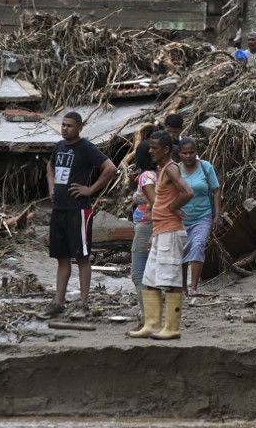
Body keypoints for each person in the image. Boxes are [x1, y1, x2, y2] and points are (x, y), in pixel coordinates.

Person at [44, 112, 118, 319]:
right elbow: (50, 165)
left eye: (69, 125)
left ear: (79, 128)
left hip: (79, 210)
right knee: (62, 257)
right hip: (59, 209)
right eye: (63, 124)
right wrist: (51, 186)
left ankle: (83, 303)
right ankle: (58, 301)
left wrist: (90, 189)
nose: (65, 128)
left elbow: (110, 168)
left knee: (82, 256)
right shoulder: (59, 146)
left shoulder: (86, 148)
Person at [128, 131, 193, 339]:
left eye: (155, 148)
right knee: (151, 278)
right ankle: (152, 324)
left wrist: (172, 207)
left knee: (171, 280)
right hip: (159, 230)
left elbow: (187, 192)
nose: (151, 151)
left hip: (170, 230)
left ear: (166, 150)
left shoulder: (171, 168)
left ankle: (172, 328)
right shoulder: (161, 169)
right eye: (150, 148)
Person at [177, 137, 221, 298]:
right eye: (185, 153)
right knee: (181, 251)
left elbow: (216, 190)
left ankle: (194, 288)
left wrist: (217, 215)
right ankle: (182, 288)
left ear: (197, 152)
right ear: (179, 153)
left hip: (203, 216)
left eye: (191, 152)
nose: (188, 156)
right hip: (181, 218)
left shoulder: (205, 167)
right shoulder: (175, 170)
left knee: (197, 245)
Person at [129, 143, 156, 327]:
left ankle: (148, 318)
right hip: (154, 226)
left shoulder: (146, 177)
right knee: (153, 274)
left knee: (139, 274)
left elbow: (154, 204)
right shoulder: (161, 173)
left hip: (146, 226)